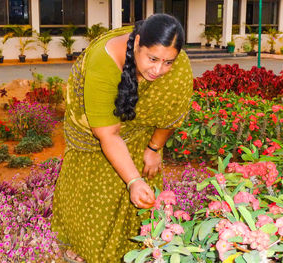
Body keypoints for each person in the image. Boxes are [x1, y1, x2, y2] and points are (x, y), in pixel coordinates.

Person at [51, 13, 193, 263]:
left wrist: (154, 148)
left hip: (140, 137)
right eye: (152, 59)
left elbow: (172, 109)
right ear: (137, 42)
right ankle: (82, 250)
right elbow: (108, 134)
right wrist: (133, 181)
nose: (159, 70)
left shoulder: (175, 62)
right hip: (97, 140)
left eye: (168, 62)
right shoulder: (103, 62)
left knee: (140, 205)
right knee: (95, 207)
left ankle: (142, 251)